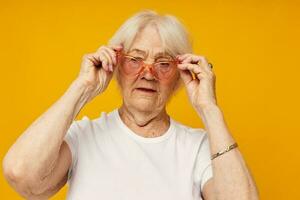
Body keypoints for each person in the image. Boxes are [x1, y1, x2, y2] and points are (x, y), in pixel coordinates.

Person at [3, 10, 259, 200]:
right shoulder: (84, 136)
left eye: (163, 64)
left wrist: (209, 109)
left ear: (179, 77)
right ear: (116, 67)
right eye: (135, 59)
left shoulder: (199, 147)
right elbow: (20, 174)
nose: (148, 74)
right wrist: (82, 88)